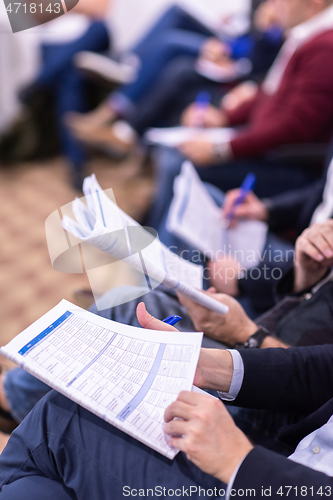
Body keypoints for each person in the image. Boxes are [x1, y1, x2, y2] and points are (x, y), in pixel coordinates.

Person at [1, 218, 333, 434]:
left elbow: (315, 382)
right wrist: (307, 275)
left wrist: (245, 332)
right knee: (147, 287)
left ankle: (15, 396)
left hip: (268, 404)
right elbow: (310, 308)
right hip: (261, 347)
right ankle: (23, 390)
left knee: (131, 303)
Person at [1, 304, 333, 498]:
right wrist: (203, 366)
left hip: (263, 478)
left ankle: (8, 403)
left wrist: (239, 462)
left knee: (59, 421)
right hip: (279, 460)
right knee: (127, 311)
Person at [146, 0, 333, 209]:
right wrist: (224, 117)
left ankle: (158, 239)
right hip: (267, 148)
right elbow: (269, 92)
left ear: (315, 3)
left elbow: (293, 128)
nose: (273, 3)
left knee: (178, 165)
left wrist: (223, 149)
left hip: (286, 165)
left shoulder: (326, 47)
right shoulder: (305, 34)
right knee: (178, 147)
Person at [67, 1, 283, 156]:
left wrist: (263, 31)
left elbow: (263, 58)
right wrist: (239, 23)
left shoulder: (293, 17)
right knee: (175, 11)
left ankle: (115, 108)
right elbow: (248, 27)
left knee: (171, 46)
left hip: (242, 60)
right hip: (236, 40)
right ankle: (130, 63)